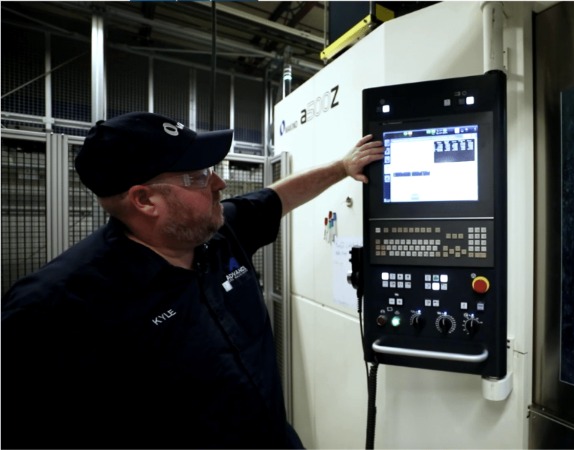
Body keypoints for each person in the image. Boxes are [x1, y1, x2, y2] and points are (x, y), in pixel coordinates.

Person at [1, 111, 385, 449]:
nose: (219, 184)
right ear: (145, 200)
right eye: (199, 176)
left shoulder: (220, 232)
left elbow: (278, 197)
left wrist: (342, 167)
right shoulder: (55, 307)